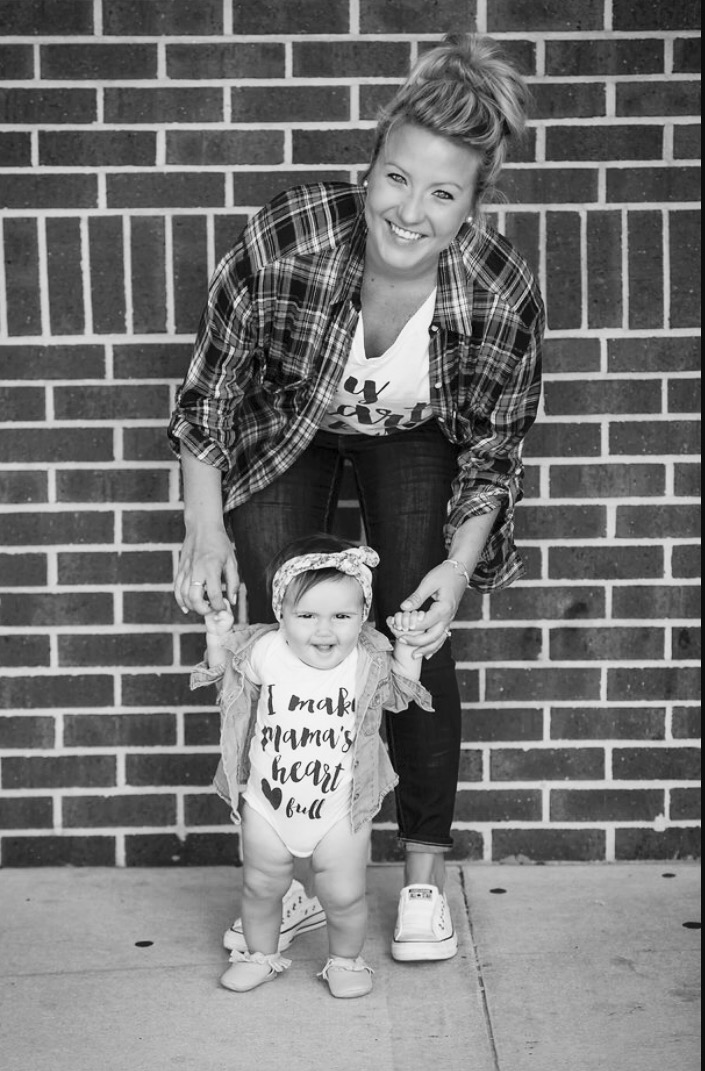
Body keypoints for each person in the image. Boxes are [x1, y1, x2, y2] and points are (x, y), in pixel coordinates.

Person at [169, 31, 544, 963]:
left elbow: (492, 455)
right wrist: (205, 531)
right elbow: (209, 400)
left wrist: (456, 569)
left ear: (474, 205)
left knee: (416, 619)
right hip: (283, 427)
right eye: (395, 179)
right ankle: (291, 876)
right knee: (289, 623)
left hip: (413, 436)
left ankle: (420, 883)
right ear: (368, 168)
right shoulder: (290, 236)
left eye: (442, 194)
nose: (409, 212)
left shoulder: (498, 296)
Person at [191, 534, 432, 996]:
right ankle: (260, 955)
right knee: (261, 888)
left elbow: (400, 694)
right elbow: (229, 686)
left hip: (339, 808)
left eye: (342, 616)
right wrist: (217, 638)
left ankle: (346, 961)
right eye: (307, 616)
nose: (324, 631)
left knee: (344, 894)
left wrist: (408, 648)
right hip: (268, 804)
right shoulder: (265, 651)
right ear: (281, 614)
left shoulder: (365, 660)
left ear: (363, 616)